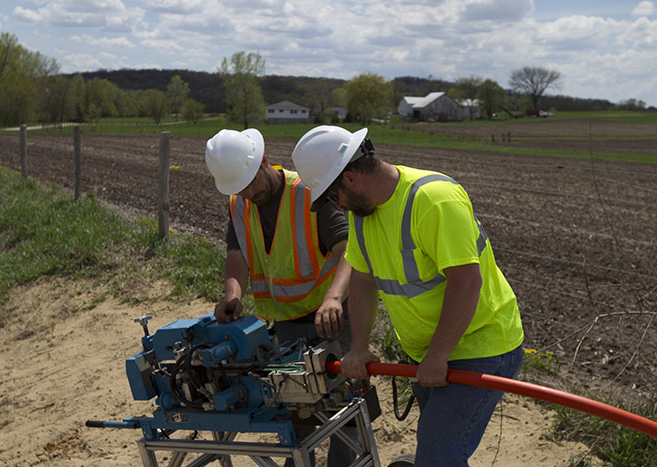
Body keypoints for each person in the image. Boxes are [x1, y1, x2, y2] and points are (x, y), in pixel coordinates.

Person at [291, 125, 524, 467]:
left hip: (481, 347)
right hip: (428, 354)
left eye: (331, 196)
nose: (336, 206)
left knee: (436, 456)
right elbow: (363, 281)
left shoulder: (433, 199)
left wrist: (438, 354)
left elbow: (466, 283)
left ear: (351, 179)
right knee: (439, 450)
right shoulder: (362, 217)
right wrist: (358, 347)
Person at [204, 128, 355, 466]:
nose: (247, 192)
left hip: (332, 317)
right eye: (239, 188)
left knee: (343, 409)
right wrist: (233, 294)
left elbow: (350, 251)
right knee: (298, 409)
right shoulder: (239, 202)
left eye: (250, 183)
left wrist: (333, 298)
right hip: (287, 324)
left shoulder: (308, 193)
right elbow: (236, 254)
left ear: (264, 161)